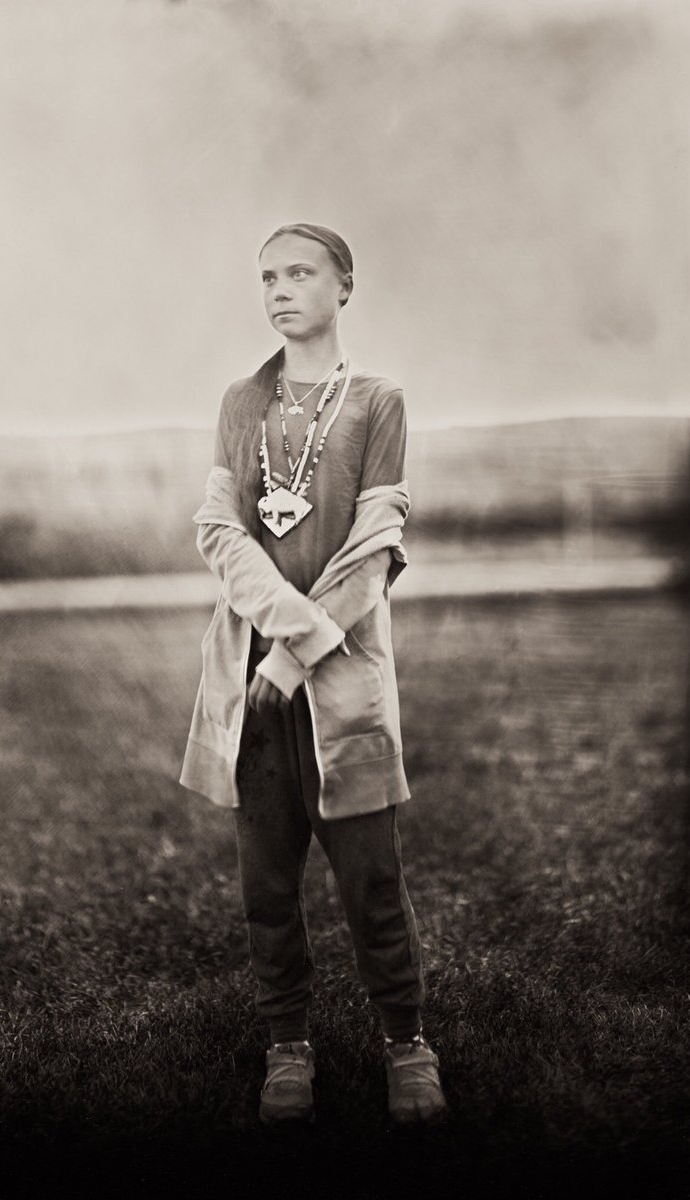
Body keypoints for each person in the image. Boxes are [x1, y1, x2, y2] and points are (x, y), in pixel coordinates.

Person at [180, 223, 446, 1127]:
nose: (281, 290)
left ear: (344, 287)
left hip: (343, 681)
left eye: (301, 273)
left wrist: (302, 654)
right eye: (267, 277)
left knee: (371, 878)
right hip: (253, 685)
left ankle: (406, 1044)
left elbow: (375, 552)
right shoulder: (240, 404)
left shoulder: (378, 401)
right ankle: (287, 1047)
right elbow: (221, 534)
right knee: (266, 882)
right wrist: (276, 641)